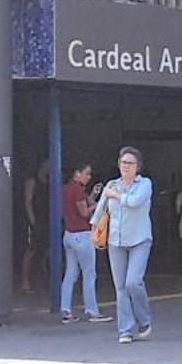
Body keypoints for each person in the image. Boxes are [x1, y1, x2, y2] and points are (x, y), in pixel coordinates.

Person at [99, 147, 154, 344]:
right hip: (116, 240)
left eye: (130, 163)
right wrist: (93, 229)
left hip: (140, 239)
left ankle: (144, 320)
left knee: (133, 282)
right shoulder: (112, 185)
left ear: (138, 166)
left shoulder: (144, 184)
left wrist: (115, 196)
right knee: (120, 287)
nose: (126, 166)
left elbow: (135, 202)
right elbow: (101, 209)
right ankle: (125, 330)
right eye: (123, 163)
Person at [58, 164, 104, 324]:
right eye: (87, 173)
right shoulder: (77, 190)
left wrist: (93, 195)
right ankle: (92, 311)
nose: (89, 177)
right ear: (77, 173)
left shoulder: (65, 189)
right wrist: (100, 204)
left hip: (69, 234)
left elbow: (82, 205)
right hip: (82, 235)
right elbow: (84, 212)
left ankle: (65, 309)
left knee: (70, 273)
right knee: (89, 274)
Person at [19, 161, 49, 294]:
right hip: (35, 220)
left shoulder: (50, 181)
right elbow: (28, 200)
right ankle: (24, 282)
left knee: (46, 248)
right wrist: (32, 221)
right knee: (31, 249)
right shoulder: (32, 181)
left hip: (47, 219)